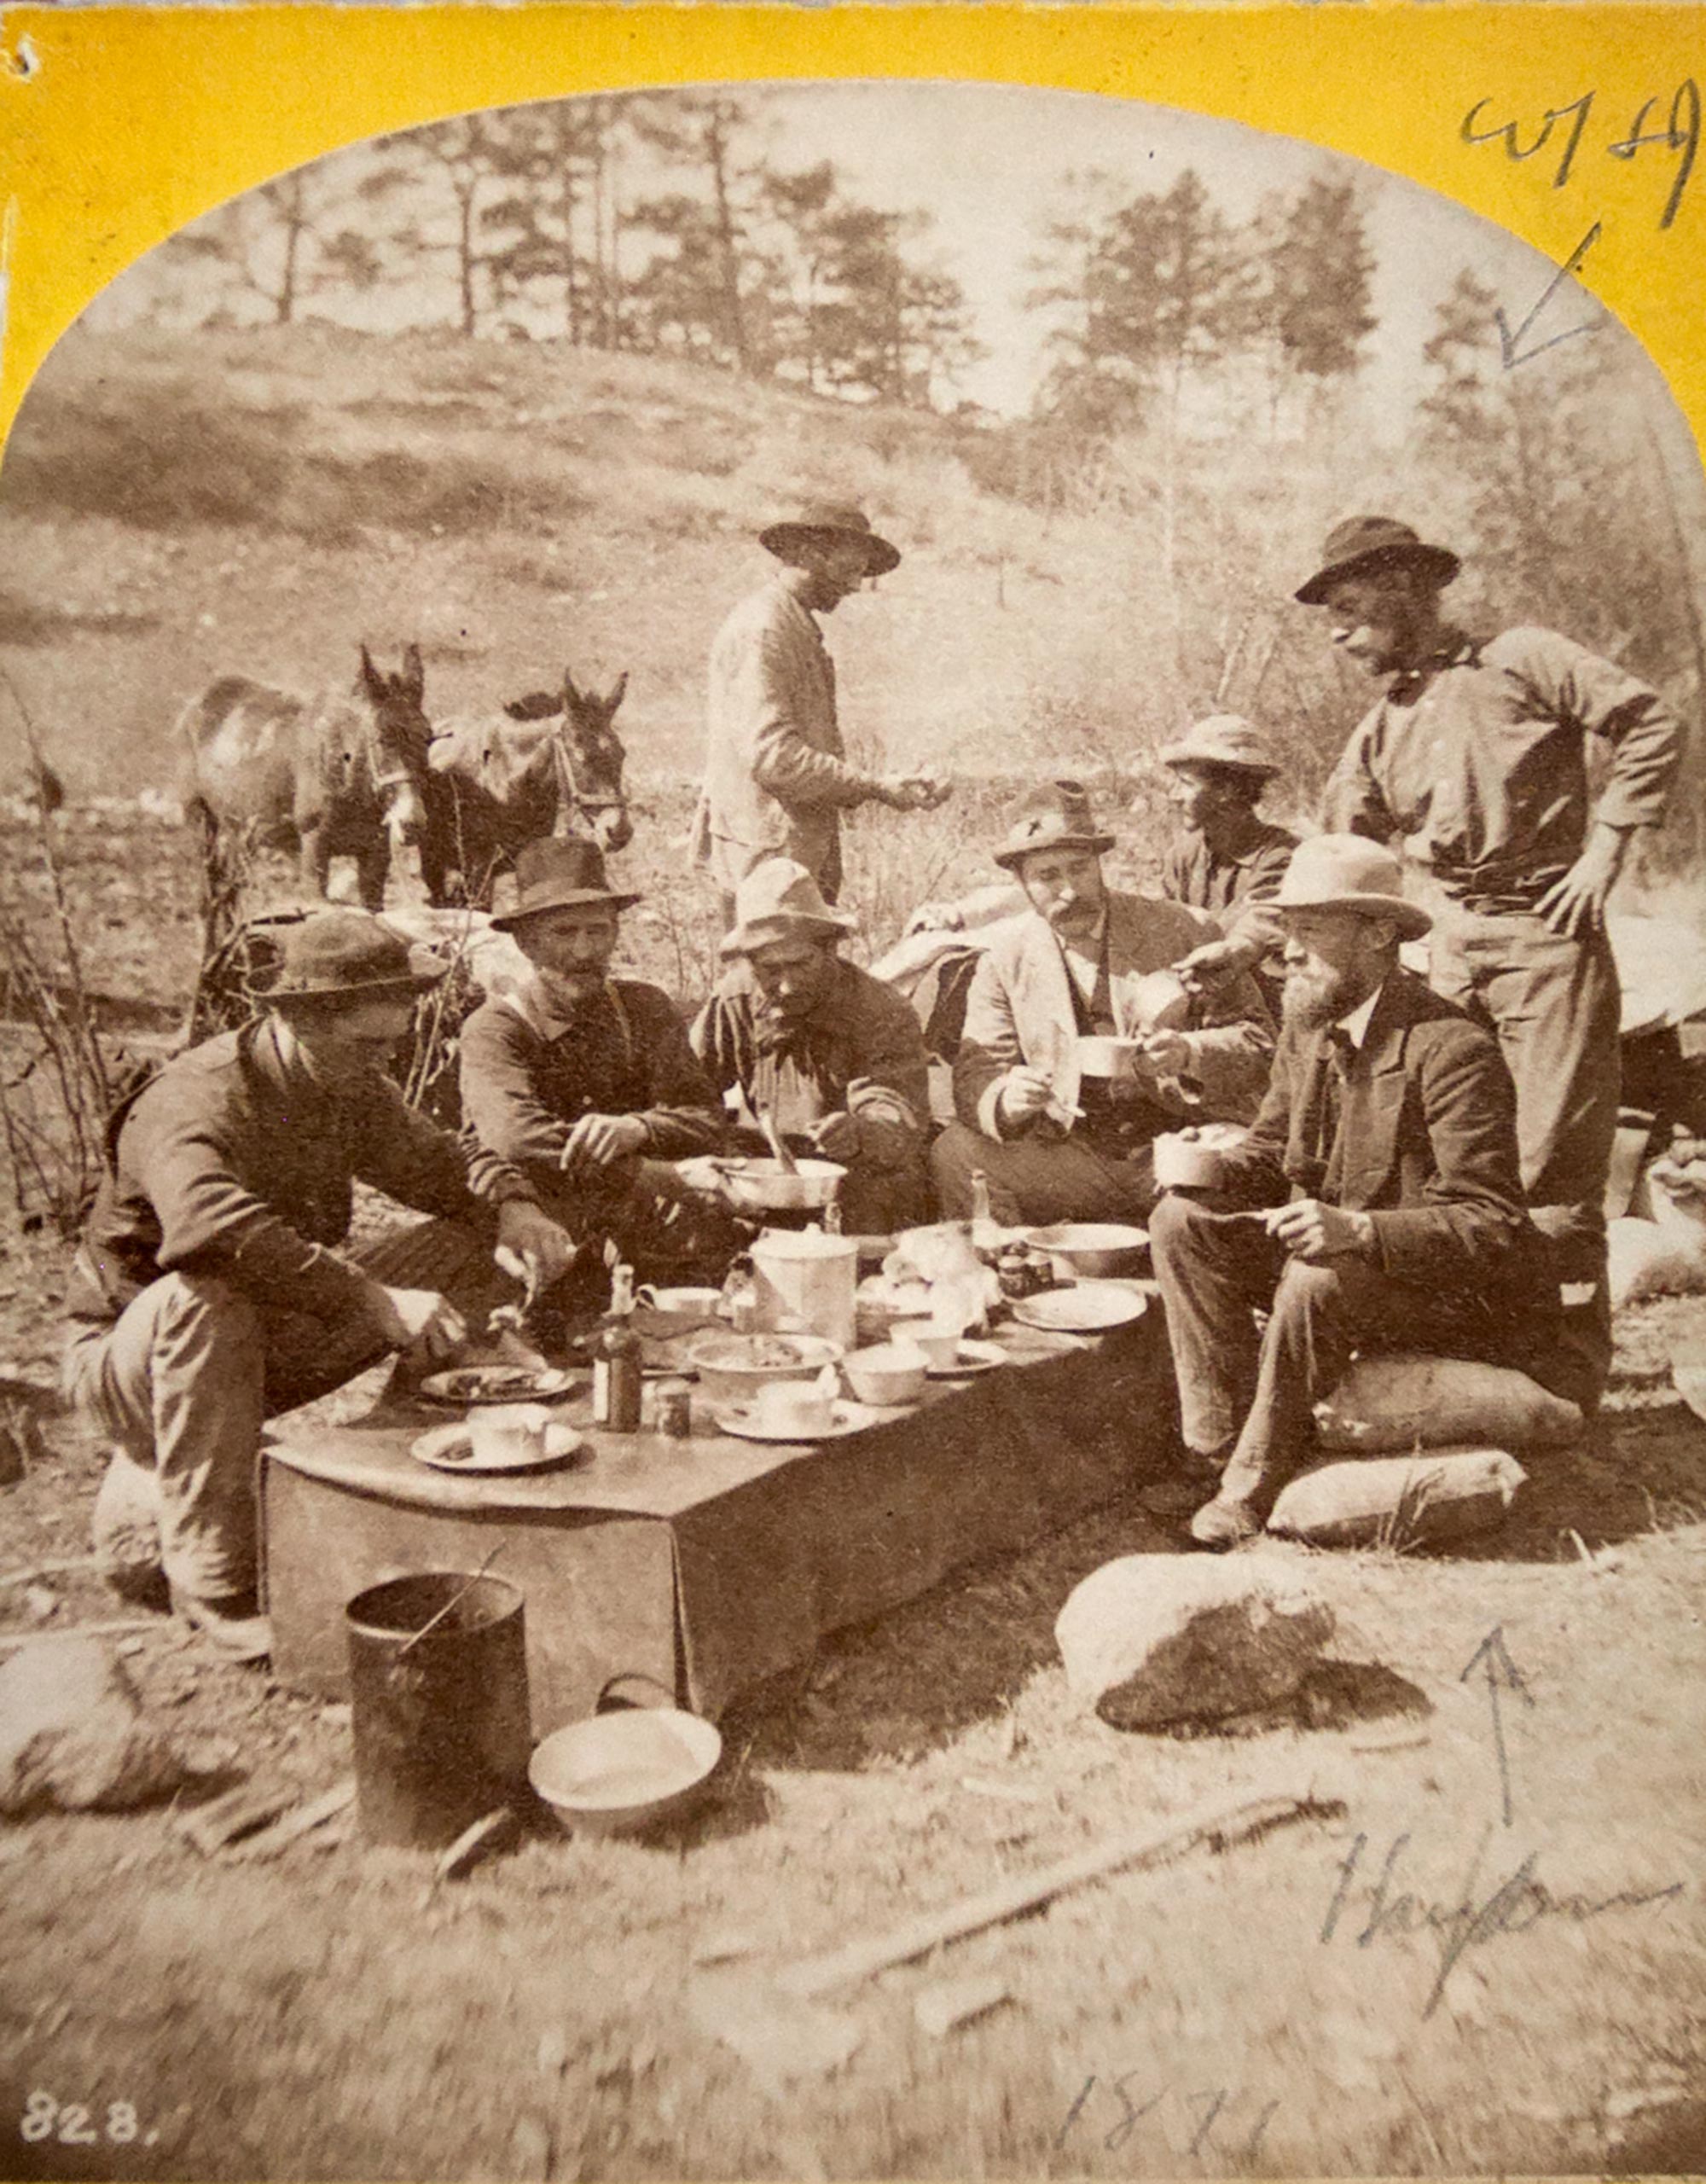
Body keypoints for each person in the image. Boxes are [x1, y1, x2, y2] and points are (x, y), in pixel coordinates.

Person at [61, 910, 576, 1660]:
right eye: (363, 1046)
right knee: (205, 1294)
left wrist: (513, 1208)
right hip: (136, 1363)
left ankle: (424, 1468)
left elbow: (439, 1162)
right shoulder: (193, 1099)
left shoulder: (344, 1080)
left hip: (267, 1343)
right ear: (292, 1020)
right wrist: (372, 1300)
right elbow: (214, 1232)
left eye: (390, 1045)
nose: (380, 1065)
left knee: (464, 1244)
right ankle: (212, 1579)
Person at [1299, 514, 1681, 1403]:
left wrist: (1603, 857)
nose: (1339, 634)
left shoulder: (1520, 657)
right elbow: (1336, 843)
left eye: (1352, 610)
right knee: (1454, 1160)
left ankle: (1567, 1373)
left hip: (1546, 941)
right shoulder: (1381, 724)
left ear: (1406, 592)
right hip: (1449, 949)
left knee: (1548, 1170)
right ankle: (1486, 1354)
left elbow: (1647, 722)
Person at [1147, 835, 1565, 1548]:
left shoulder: (1451, 1048)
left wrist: (1361, 1232)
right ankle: (1217, 1451)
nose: (1289, 954)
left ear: (1378, 935)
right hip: (1338, 1270)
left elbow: (1492, 1222)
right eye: (1287, 932)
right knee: (1180, 1221)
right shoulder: (1309, 1022)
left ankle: (1254, 1480)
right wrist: (1208, 1164)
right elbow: (1275, 1150)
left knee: (1316, 1280)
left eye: (1310, 932)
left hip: (1439, 1294)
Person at [931, 781, 1274, 1225]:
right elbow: (980, 1070)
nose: (1069, 890)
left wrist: (1189, 1053)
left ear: (1099, 863)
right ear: (1022, 883)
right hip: (1074, 1157)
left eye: (1079, 868)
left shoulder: (1182, 929)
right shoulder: (1005, 957)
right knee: (956, 1153)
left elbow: (1260, 1042)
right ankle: (1017, 1275)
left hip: (1179, 1143)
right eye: (1048, 877)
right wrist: (1005, 1100)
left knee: (1221, 1171)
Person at [456, 837, 737, 1281]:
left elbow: (705, 1117)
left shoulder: (645, 1007)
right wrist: (647, 1172)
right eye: (564, 933)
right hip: (538, 1220)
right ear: (527, 944)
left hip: (634, 1220)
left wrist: (637, 1128)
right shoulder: (496, 1029)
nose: (584, 952)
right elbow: (519, 1142)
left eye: (597, 930)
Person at [693, 499, 949, 919]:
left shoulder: (792, 625)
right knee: (770, 976)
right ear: (810, 555)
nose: (854, 587)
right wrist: (875, 786)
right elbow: (775, 757)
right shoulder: (763, 629)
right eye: (849, 571)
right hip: (767, 854)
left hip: (790, 850)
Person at [692, 857, 932, 1234]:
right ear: (750, 963)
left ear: (830, 950)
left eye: (801, 964)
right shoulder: (734, 1001)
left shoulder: (879, 1009)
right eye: (770, 970)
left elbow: (896, 1108)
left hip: (855, 1174)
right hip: (764, 1171)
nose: (787, 986)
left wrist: (859, 1132)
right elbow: (689, 1089)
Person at [1156, 713, 1299, 1019]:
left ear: (1227, 790)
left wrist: (1238, 947)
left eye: (1185, 783)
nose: (1174, 796)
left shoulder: (1281, 856)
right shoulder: (1182, 857)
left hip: (1268, 1011)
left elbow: (1264, 918)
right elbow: (1167, 931)